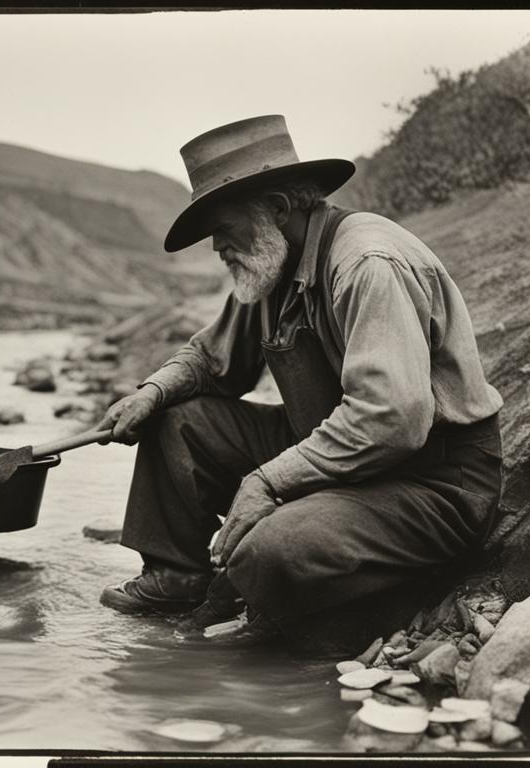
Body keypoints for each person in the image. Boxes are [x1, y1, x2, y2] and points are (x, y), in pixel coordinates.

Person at [96, 115, 504, 648]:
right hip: (343, 462)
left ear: (279, 209)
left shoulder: (366, 263)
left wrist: (267, 482)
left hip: (432, 480)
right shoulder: (269, 265)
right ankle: (179, 579)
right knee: (176, 420)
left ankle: (295, 609)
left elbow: (393, 419)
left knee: (271, 547)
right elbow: (211, 361)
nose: (216, 245)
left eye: (223, 226)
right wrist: (150, 393)